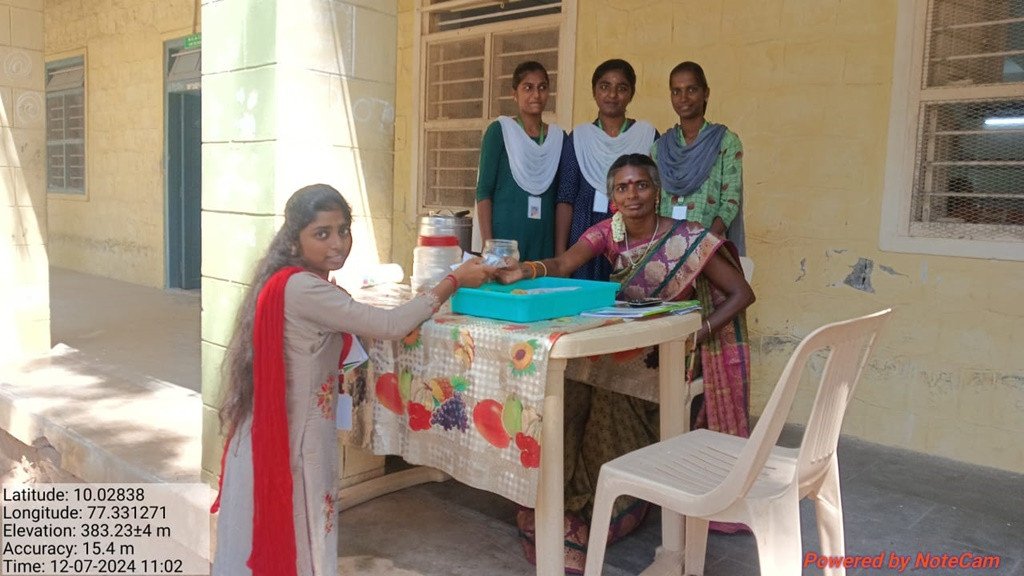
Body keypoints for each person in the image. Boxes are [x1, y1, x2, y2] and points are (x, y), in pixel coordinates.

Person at [210, 184, 493, 576]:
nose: (338, 244)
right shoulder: (304, 288)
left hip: (274, 428)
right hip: (296, 440)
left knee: (282, 534)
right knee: (304, 532)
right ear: (295, 239)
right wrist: (453, 280)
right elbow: (391, 325)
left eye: (343, 230)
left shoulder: (288, 280)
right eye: (322, 233)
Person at [497, 154, 754, 573]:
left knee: (613, 405)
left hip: (668, 355)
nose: (632, 195)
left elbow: (742, 293)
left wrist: (696, 333)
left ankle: (594, 508)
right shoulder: (609, 233)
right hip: (621, 347)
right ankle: (554, 500)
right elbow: (564, 264)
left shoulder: (688, 237)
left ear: (658, 193)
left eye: (641, 186)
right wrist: (524, 269)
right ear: (612, 197)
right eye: (622, 187)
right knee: (568, 389)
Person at [555, 58, 657, 281]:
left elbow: (656, 192)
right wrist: (561, 254)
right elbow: (566, 198)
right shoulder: (579, 138)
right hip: (584, 231)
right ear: (594, 91)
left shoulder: (646, 135)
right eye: (604, 87)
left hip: (633, 234)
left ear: (631, 94)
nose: (612, 95)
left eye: (621, 88)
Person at [653, 61, 747, 255]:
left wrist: (704, 243)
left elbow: (730, 201)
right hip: (665, 249)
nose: (683, 98)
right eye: (676, 91)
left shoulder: (725, 141)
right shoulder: (660, 147)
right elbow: (654, 202)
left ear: (706, 93)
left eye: (691, 89)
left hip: (709, 247)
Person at [476, 60, 564, 260]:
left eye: (542, 87)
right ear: (514, 94)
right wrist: (488, 246)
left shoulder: (558, 138)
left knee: (541, 290)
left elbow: (561, 199)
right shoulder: (500, 131)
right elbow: (484, 191)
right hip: (505, 239)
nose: (536, 95)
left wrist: (560, 255)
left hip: (543, 239)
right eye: (528, 88)